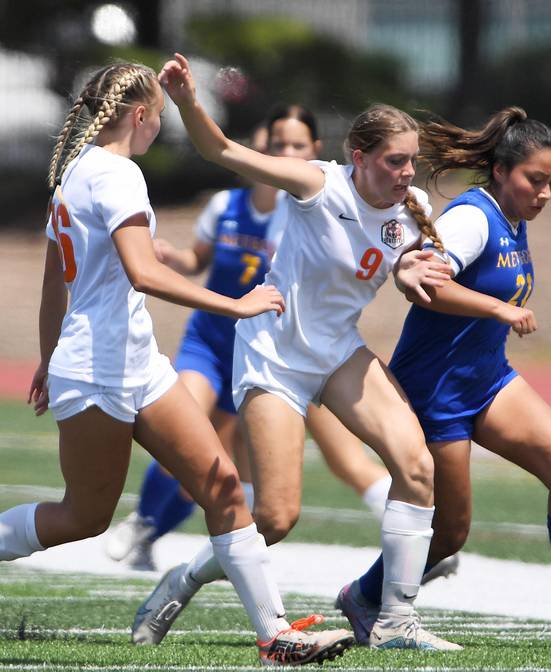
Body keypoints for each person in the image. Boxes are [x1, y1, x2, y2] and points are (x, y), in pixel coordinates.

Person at [0, 62, 355, 666]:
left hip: (136, 362)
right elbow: (143, 271)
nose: (159, 128)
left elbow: (55, 280)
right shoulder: (117, 175)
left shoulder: (77, 172)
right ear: (139, 115)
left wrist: (47, 352)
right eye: (160, 116)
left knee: (221, 486)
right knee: (84, 515)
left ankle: (275, 638)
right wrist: (234, 304)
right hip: (96, 370)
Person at [132, 53, 460, 652]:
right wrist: (188, 103)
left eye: (413, 160)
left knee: (416, 465)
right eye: (395, 161)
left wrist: (417, 271)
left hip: (336, 351)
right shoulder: (318, 183)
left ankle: (395, 621)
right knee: (277, 519)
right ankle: (181, 579)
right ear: (358, 158)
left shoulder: (415, 213)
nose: (408, 172)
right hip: (274, 353)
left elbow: (416, 265)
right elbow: (222, 152)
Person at [336, 107, 551, 645]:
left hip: (488, 380)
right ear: (501, 171)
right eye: (535, 180)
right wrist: (500, 311)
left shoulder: (514, 216)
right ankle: (363, 595)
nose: (545, 193)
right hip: (436, 392)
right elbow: (425, 283)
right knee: (450, 534)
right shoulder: (472, 218)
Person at [104, 105, 394, 570]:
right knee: (183, 426)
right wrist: (173, 257)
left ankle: (163, 532)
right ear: (264, 149)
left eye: (298, 146)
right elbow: (197, 258)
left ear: (315, 152)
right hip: (210, 341)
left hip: (261, 349)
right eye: (279, 145)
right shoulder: (225, 206)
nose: (287, 153)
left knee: (214, 460)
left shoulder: (305, 208)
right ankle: (143, 518)